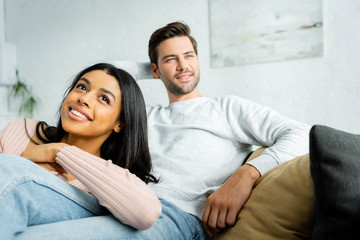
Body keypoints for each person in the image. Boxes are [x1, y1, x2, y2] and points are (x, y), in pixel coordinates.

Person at [8, 22, 310, 240]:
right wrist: (152, 64)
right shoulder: (140, 117)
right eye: (170, 59)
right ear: (154, 70)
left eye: (189, 55)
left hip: (174, 217)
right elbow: (104, 73)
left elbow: (302, 132)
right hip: (117, 202)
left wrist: (247, 174)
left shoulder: (227, 109)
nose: (183, 65)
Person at [0, 63, 161, 238]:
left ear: (120, 123)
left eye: (104, 99)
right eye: (82, 87)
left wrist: (60, 152)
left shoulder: (110, 180)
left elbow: (147, 213)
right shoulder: (22, 130)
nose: (84, 99)